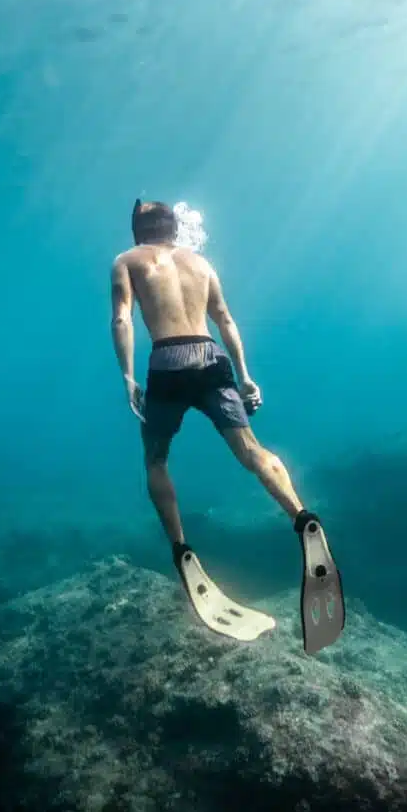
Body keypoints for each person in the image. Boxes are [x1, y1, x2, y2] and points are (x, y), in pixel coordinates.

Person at [109, 199, 345, 653]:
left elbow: (122, 318)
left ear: (139, 230)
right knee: (252, 450)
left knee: (156, 459)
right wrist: (245, 375)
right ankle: (302, 517)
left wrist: (127, 376)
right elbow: (226, 320)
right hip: (211, 356)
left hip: (168, 361)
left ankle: (182, 550)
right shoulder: (200, 263)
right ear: (174, 229)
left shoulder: (127, 260)